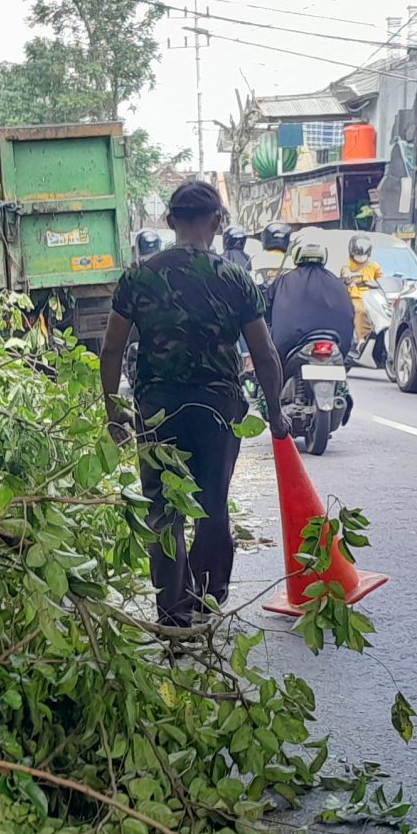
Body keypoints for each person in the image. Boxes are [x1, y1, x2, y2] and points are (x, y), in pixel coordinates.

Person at [100, 181, 288, 626]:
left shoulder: (139, 276)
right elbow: (264, 353)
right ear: (218, 221)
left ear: (170, 222)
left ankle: (172, 612)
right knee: (212, 504)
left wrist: (114, 413)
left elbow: (111, 349)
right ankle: (207, 600)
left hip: (157, 410)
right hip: (217, 410)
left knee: (163, 509)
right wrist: (276, 413)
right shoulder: (234, 277)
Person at [267, 240, 356, 361]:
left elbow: (264, 307)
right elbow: (349, 312)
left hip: (289, 345)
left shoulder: (284, 280)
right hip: (338, 344)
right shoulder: (337, 282)